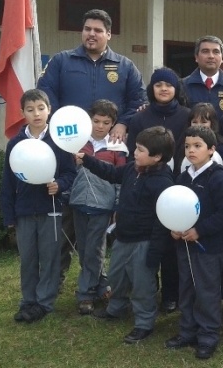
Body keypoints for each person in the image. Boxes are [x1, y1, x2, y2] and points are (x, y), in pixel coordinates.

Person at [37, 8, 146, 291]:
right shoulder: (62, 61)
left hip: (107, 157)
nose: (91, 34)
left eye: (98, 30)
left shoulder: (125, 66)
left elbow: (138, 99)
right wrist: (62, 129)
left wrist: (123, 122)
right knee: (63, 224)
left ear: (108, 35)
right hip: (66, 154)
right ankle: (53, 280)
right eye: (87, 29)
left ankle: (96, 281)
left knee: (96, 223)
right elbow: (46, 93)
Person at [80, 126, 175, 344]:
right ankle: (116, 308)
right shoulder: (133, 169)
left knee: (142, 284)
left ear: (157, 156)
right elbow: (111, 173)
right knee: (117, 276)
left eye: (140, 150)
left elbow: (162, 222)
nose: (134, 152)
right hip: (123, 237)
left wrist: (154, 253)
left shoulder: (162, 183)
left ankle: (144, 323)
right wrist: (86, 159)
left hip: (144, 242)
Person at [0, 89, 77, 324]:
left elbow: (69, 173)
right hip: (24, 211)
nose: (36, 114)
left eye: (41, 108)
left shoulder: (58, 141)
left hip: (51, 210)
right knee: (29, 258)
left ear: (49, 109)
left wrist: (59, 185)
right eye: (30, 109)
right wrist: (8, 215)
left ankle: (44, 302)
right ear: (22, 113)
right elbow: (7, 181)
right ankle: (28, 300)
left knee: (50, 256)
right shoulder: (16, 143)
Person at [163, 126, 223, 360]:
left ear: (212, 150)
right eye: (187, 146)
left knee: (207, 291)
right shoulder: (183, 177)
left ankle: (208, 335)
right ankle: (187, 331)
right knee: (187, 289)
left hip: (208, 248)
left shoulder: (219, 178)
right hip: (184, 246)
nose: (191, 151)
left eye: (197, 146)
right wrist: (174, 228)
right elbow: (176, 206)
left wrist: (200, 230)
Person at [126, 66, 189, 313]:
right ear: (152, 89)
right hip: (146, 188)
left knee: (170, 245)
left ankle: (171, 295)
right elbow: (133, 154)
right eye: (159, 85)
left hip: (176, 186)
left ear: (176, 89)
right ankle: (148, 289)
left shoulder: (186, 115)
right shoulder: (140, 118)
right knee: (147, 242)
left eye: (169, 85)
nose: (164, 89)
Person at [68, 99, 127, 315]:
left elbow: (120, 178)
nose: (100, 126)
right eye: (96, 121)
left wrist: (118, 205)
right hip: (79, 201)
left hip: (102, 205)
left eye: (106, 122)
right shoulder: (78, 142)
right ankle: (102, 284)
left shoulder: (118, 147)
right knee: (84, 250)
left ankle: (86, 293)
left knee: (95, 248)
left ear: (113, 124)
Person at [182, 35, 223, 118]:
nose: (211, 56)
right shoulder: (183, 86)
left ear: (222, 58)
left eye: (216, 52)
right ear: (196, 57)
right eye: (205, 51)